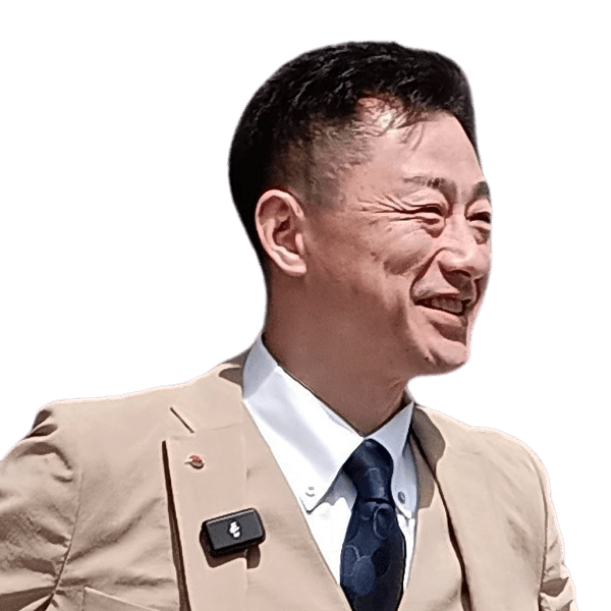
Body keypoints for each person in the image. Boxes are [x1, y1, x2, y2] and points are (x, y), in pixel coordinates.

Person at [0, 40, 577, 611]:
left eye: (481, 220)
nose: (470, 257)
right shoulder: (92, 466)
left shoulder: (512, 487)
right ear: (286, 233)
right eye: (428, 212)